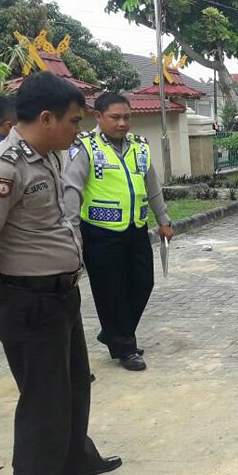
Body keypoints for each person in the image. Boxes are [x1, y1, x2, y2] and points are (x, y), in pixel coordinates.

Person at [0, 72, 121, 475]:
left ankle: (73, 460)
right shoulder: (4, 166)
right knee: (43, 393)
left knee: (73, 383)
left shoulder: (47, 156)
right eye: (73, 121)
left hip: (59, 294)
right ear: (45, 118)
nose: (77, 130)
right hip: (28, 299)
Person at [63, 92, 174, 371]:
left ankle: (114, 333)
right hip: (100, 232)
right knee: (111, 291)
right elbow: (72, 189)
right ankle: (125, 347)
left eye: (127, 117)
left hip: (135, 228)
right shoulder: (85, 147)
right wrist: (73, 230)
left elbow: (153, 187)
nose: (122, 123)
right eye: (115, 117)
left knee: (142, 283)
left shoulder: (140, 146)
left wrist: (164, 220)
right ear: (98, 117)